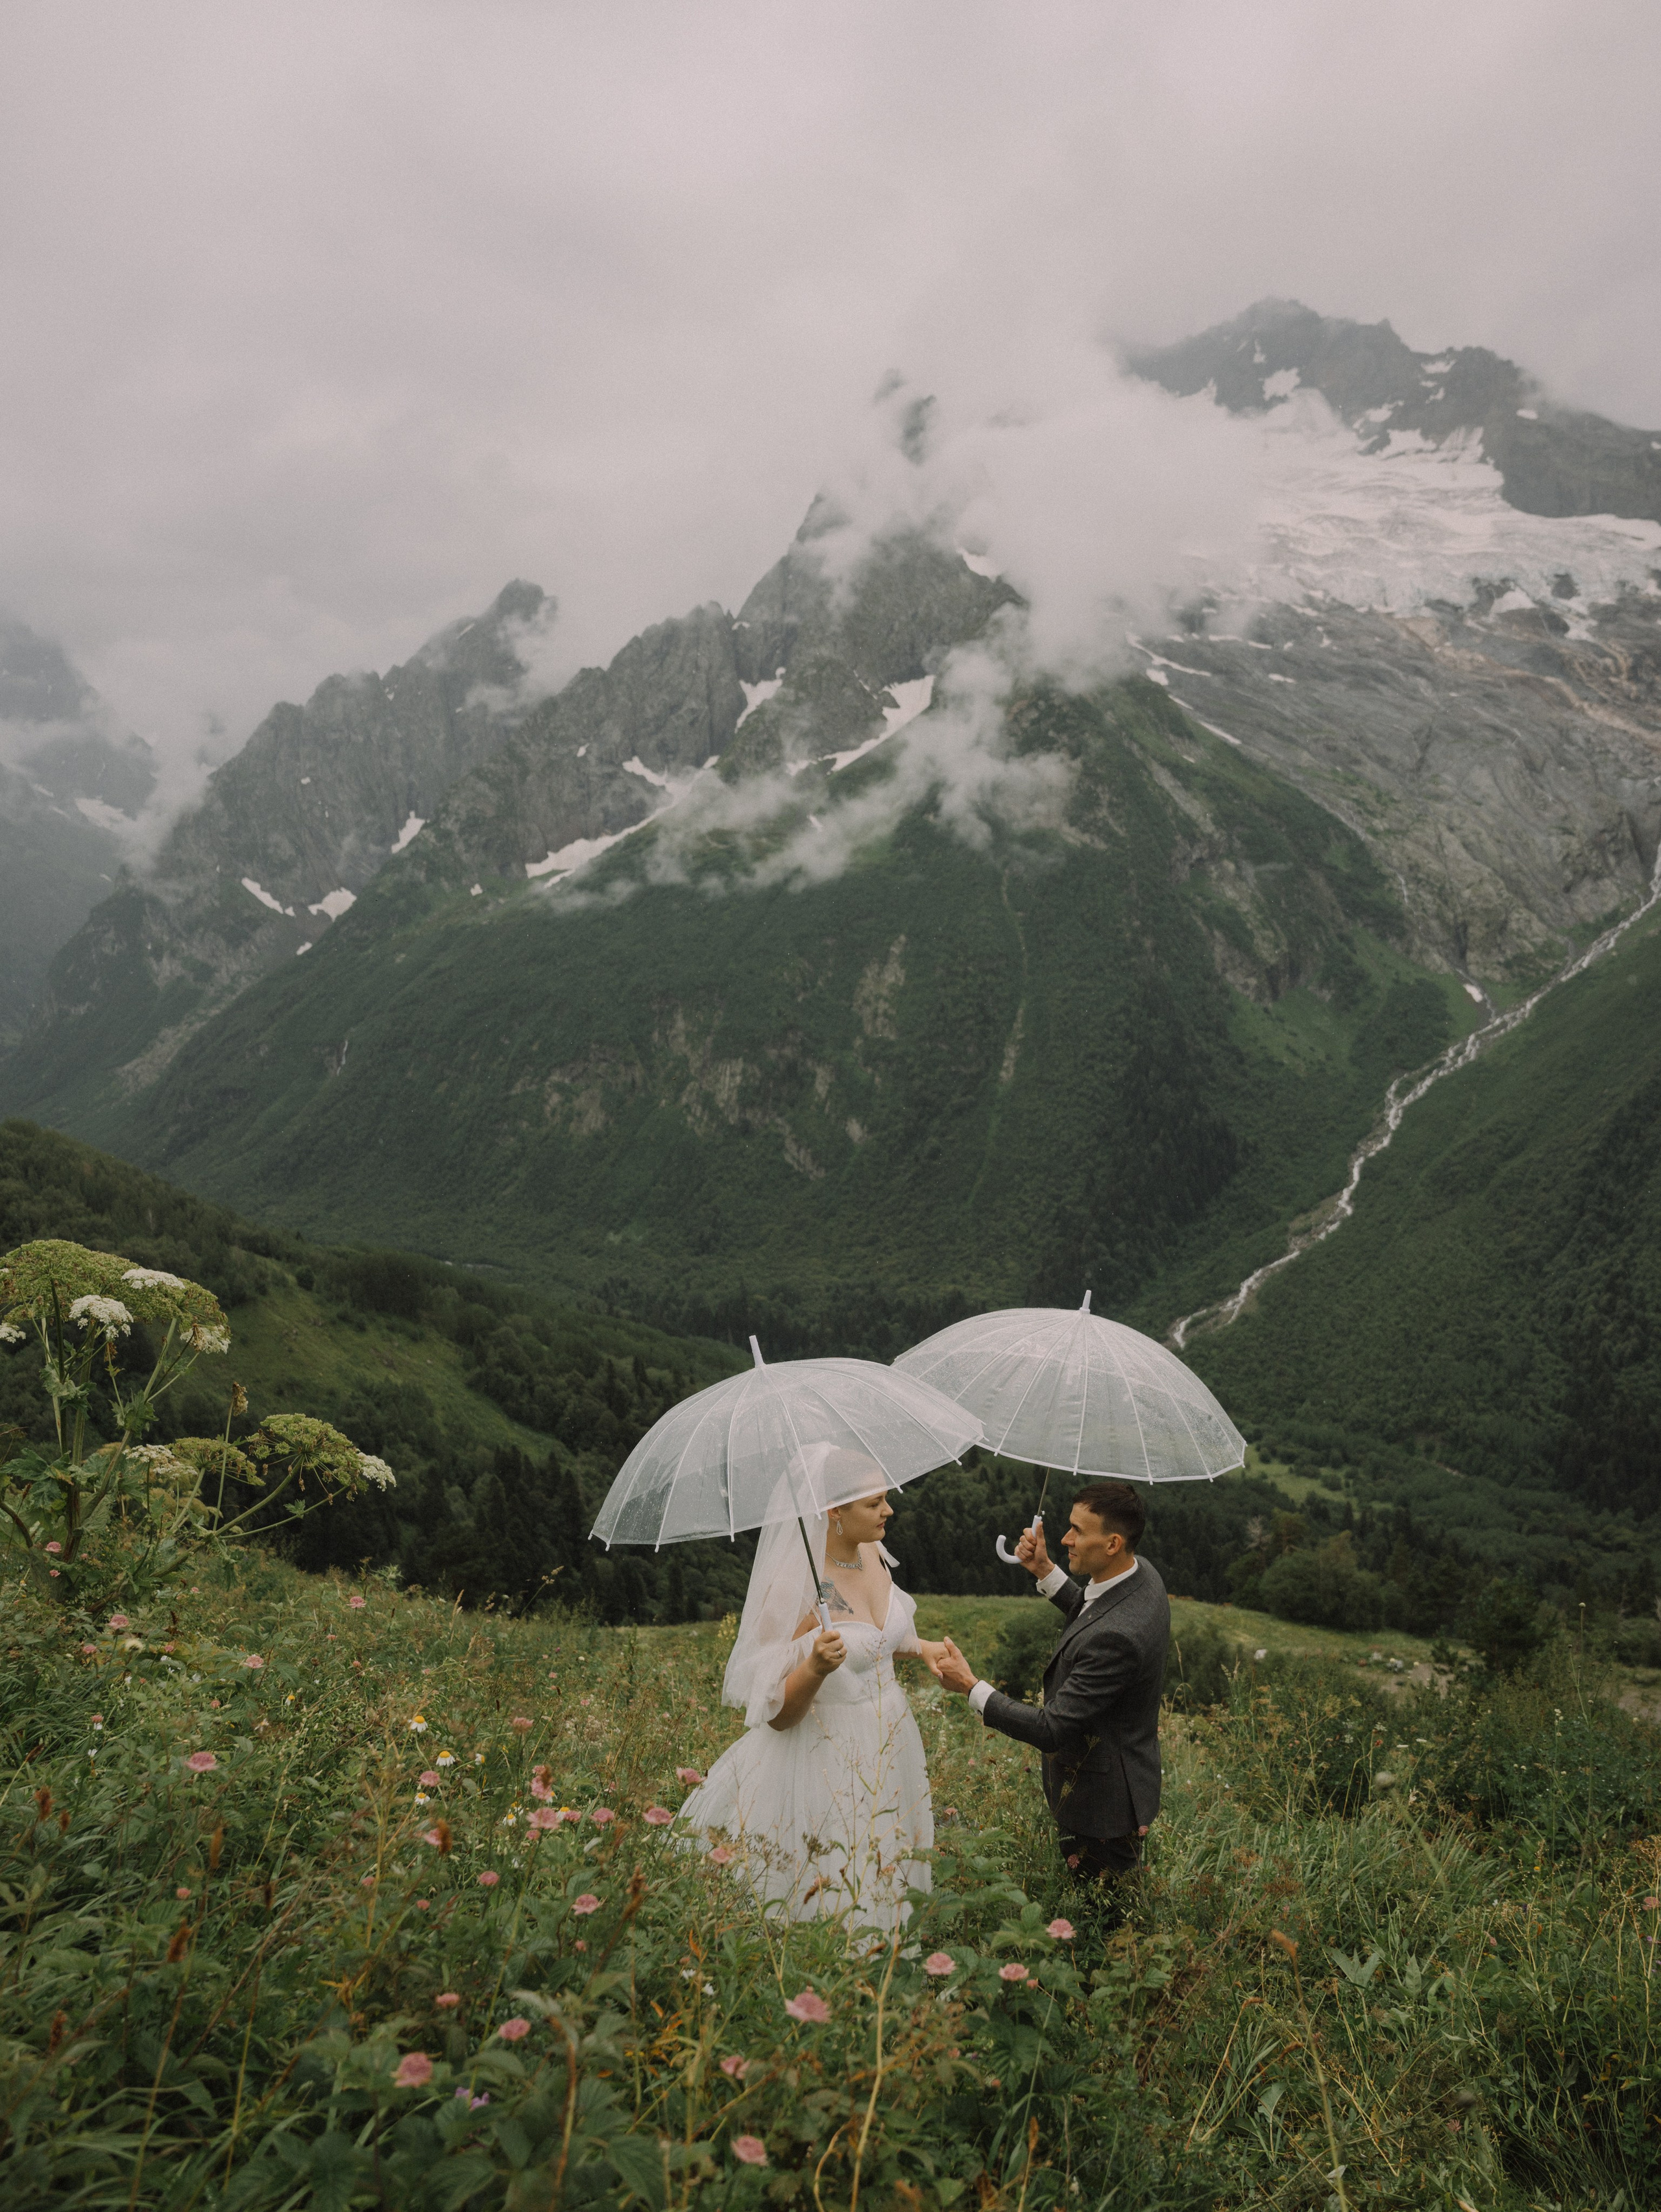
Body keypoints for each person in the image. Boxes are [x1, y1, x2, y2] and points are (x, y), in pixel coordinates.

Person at [677, 1447, 951, 1929]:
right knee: (836, 1875)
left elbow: (877, 1640)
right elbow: (778, 1716)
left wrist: (921, 1647)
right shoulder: (794, 1587)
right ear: (835, 1511)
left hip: (891, 1738)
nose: (888, 1511)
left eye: (885, 1499)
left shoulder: (872, 1553)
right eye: (874, 1503)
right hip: (826, 1752)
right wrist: (814, 1669)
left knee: (888, 1857)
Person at [931, 1480, 1169, 1891]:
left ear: (1113, 1544)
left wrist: (970, 1686)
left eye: (1077, 1530)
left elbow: (1051, 1729)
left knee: (1103, 1918)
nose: (1065, 1539)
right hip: (1122, 1777)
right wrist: (1044, 1570)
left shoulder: (1118, 1638)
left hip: (1103, 1807)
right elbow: (1093, 1611)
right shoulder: (1140, 1574)